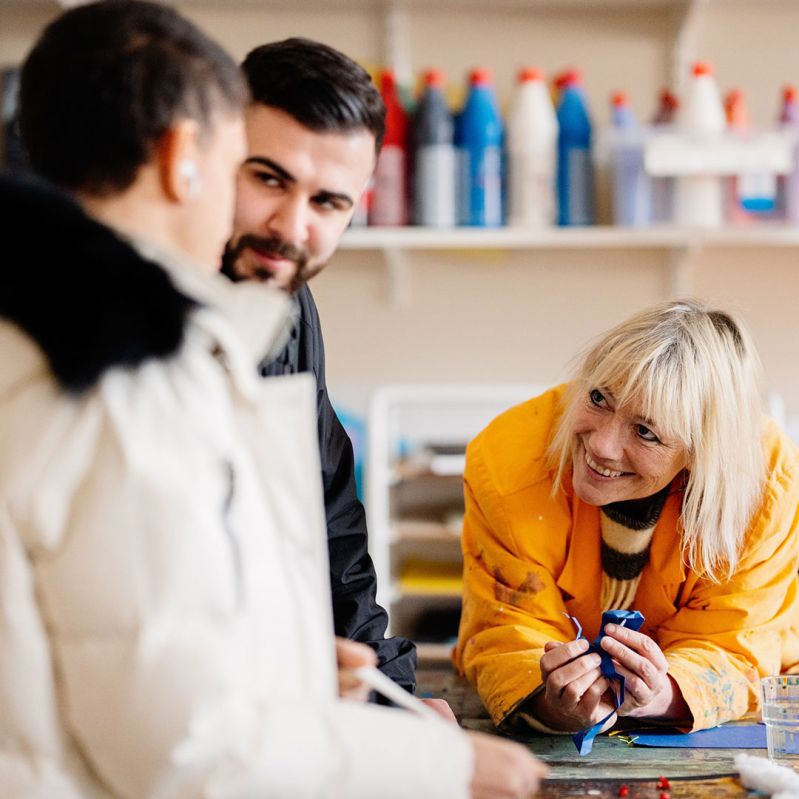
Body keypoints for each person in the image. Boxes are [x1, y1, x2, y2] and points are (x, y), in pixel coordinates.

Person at [0, 2, 547, 797]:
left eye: (330, 202)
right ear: (190, 157)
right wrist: (439, 765)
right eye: (253, 172)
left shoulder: (90, 317)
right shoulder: (126, 369)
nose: (289, 224)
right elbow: (178, 746)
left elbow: (123, 615)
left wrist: (279, 661)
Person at [454, 299, 799, 736]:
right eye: (599, 398)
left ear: (700, 454)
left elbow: (738, 638)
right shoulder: (507, 457)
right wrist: (552, 700)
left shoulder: (767, 483)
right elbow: (507, 625)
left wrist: (665, 694)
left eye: (645, 432)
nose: (601, 445)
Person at [220, 38, 417, 694]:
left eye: (327, 202)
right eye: (269, 179)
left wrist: (392, 695)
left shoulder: (286, 304)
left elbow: (325, 511)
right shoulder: (117, 307)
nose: (290, 226)